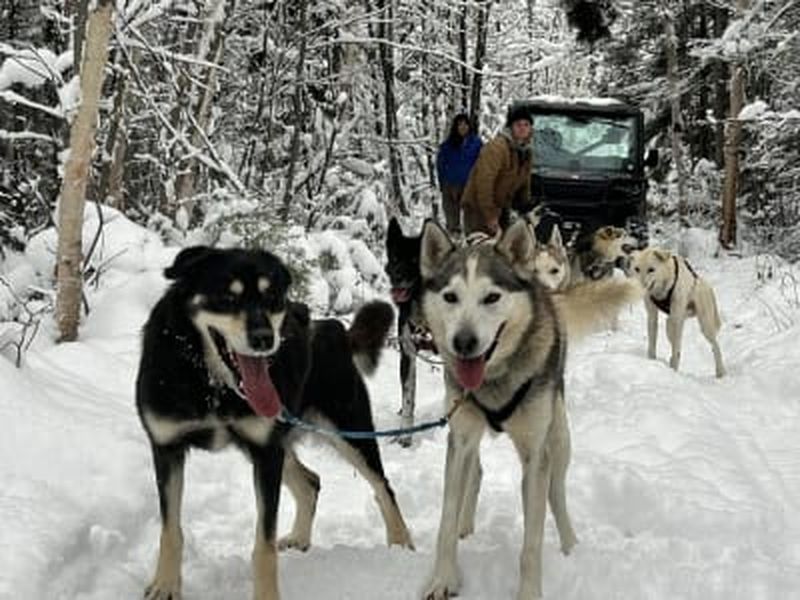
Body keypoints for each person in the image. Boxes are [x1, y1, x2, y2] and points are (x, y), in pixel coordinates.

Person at [460, 105, 534, 235]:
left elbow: (525, 181)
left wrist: (525, 207)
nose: (522, 128)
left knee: (503, 249)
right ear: (510, 127)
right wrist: (489, 215)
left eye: (526, 124)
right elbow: (483, 182)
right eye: (518, 125)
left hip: (501, 206)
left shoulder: (525, 152)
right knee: (482, 249)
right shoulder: (497, 148)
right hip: (479, 208)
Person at [435, 113, 482, 236]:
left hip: (469, 186)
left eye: (465, 124)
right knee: (451, 219)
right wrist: (442, 183)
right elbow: (440, 164)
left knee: (471, 220)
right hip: (450, 186)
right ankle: (454, 241)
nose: (462, 127)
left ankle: (471, 242)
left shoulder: (476, 144)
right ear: (455, 127)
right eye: (459, 124)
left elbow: (483, 163)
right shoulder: (447, 145)